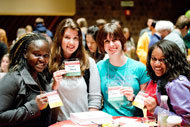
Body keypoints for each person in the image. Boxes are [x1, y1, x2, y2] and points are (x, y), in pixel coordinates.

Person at [49, 18, 102, 121]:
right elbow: (45, 100)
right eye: (67, 37)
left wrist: (88, 122)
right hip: (59, 123)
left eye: (75, 38)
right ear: (60, 38)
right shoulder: (49, 63)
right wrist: (53, 87)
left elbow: (95, 100)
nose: (71, 42)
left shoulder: (89, 63)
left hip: (83, 124)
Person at [96, 23, 150, 117]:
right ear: (103, 45)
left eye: (115, 40)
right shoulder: (99, 67)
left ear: (122, 40)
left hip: (133, 121)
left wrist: (133, 98)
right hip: (108, 121)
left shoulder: (139, 68)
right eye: (107, 41)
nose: (111, 44)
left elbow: (147, 103)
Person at [0, 33, 53, 127]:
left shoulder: (41, 78)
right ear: (25, 53)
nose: (42, 60)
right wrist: (33, 107)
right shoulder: (12, 79)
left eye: (46, 55)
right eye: (37, 54)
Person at [144, 40, 190, 126]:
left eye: (163, 60)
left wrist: (155, 109)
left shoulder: (177, 84)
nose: (157, 64)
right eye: (154, 59)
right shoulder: (162, 78)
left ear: (173, 61)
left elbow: (186, 121)